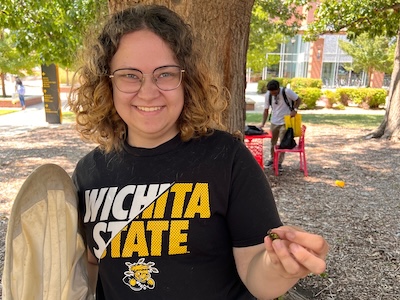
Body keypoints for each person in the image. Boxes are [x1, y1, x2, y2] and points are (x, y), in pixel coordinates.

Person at [69, 5, 328, 300]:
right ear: (107, 82)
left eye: (164, 74)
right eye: (130, 75)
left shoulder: (227, 159)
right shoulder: (88, 173)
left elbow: (258, 274)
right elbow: (90, 267)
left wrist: (280, 268)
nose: (148, 91)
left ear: (186, 80)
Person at [260, 80, 301, 172]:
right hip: (274, 121)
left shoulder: (286, 91)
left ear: (278, 88)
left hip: (286, 121)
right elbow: (266, 110)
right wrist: (263, 123)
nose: (273, 94)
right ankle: (272, 159)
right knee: (272, 142)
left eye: (274, 92)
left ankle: (279, 162)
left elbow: (298, 99)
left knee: (283, 143)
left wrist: (295, 109)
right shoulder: (268, 95)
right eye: (271, 92)